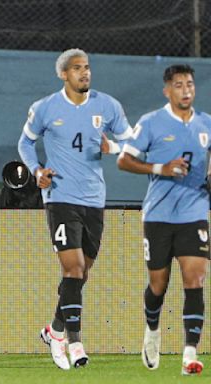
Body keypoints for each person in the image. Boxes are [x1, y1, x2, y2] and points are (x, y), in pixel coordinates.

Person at [17, 49, 132, 370]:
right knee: (73, 268)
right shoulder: (45, 108)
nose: (85, 73)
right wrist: (37, 171)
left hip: (94, 200)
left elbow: (133, 141)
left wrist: (116, 147)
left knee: (82, 273)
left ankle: (54, 329)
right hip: (59, 197)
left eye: (87, 67)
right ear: (63, 74)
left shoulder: (107, 106)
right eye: (77, 68)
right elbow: (24, 143)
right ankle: (74, 341)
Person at [117, 64, 209, 376]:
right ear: (167, 90)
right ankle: (152, 330)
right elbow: (124, 160)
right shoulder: (152, 123)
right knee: (159, 284)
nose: (186, 90)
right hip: (158, 215)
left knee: (194, 279)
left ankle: (189, 354)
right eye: (179, 85)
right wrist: (161, 168)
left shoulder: (206, 124)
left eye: (190, 85)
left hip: (194, 212)